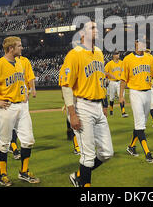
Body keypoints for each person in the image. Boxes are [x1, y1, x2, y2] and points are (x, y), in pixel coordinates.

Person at [0, 36, 40, 187]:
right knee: (4, 143)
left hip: (22, 107)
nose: (22, 48)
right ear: (10, 49)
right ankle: (3, 175)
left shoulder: (20, 62)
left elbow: (25, 80)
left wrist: (27, 91)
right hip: (6, 107)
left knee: (28, 141)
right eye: (19, 46)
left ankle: (24, 172)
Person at [61, 21, 114, 187]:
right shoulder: (74, 54)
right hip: (83, 107)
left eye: (97, 27)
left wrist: (104, 104)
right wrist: (72, 113)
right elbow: (66, 84)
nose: (96, 30)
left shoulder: (98, 52)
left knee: (107, 153)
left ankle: (78, 177)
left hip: (98, 106)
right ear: (83, 34)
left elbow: (99, 81)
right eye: (92, 27)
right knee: (88, 156)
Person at [120, 38, 153, 163]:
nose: (142, 45)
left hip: (148, 92)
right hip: (135, 93)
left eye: (144, 43)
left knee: (141, 124)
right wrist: (121, 95)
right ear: (135, 44)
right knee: (139, 124)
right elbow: (123, 79)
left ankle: (131, 147)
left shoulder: (150, 58)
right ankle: (148, 153)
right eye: (140, 43)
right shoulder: (128, 59)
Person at [9, 54, 37, 160]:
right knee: (12, 124)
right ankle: (14, 147)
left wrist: (32, 89)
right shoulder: (7, 61)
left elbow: (30, 76)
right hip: (12, 97)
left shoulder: (25, 61)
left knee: (21, 125)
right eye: (19, 46)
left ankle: (16, 147)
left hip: (23, 96)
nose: (21, 48)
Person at [104, 51, 128, 117]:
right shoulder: (109, 64)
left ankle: (123, 112)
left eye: (118, 54)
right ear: (113, 55)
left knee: (121, 96)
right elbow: (104, 72)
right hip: (112, 82)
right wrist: (110, 75)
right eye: (116, 54)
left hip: (120, 82)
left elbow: (125, 70)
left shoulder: (122, 62)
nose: (118, 55)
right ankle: (111, 110)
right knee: (111, 98)